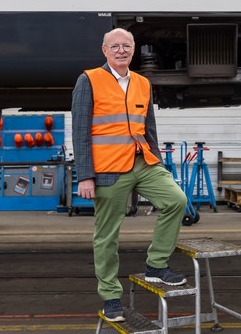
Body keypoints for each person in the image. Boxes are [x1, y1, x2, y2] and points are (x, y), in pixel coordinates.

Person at [71, 28, 188, 322]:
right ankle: (111, 297)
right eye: (115, 46)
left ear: (133, 50)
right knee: (107, 236)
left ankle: (156, 264)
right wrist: (85, 176)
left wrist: (158, 163)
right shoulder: (89, 80)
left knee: (176, 200)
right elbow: (80, 130)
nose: (121, 51)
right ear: (105, 51)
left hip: (143, 162)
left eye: (126, 46)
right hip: (108, 168)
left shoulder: (142, 83)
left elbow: (149, 127)